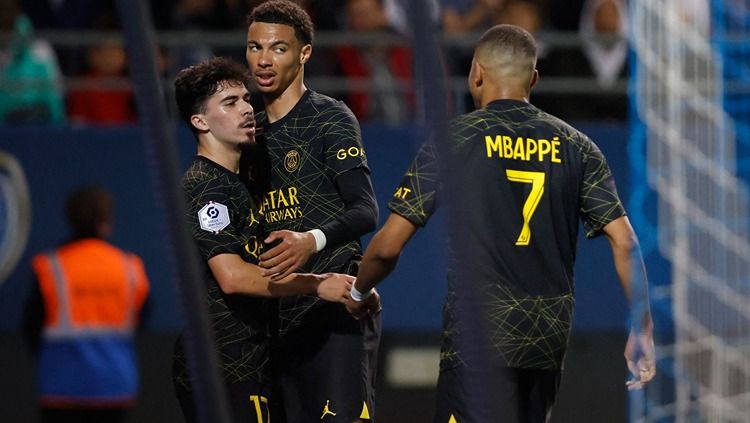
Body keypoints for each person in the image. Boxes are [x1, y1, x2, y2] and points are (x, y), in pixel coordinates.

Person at [347, 24, 656, 423]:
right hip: (545, 344)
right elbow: (627, 243)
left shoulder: (453, 140)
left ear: (476, 73)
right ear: (534, 78)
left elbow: (388, 246)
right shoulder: (579, 147)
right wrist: (643, 327)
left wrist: (358, 292)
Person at [173, 56, 356, 423]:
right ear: (199, 121)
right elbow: (233, 276)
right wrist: (317, 284)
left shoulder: (236, 182)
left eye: (245, 99)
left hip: (249, 362)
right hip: (221, 365)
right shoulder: (205, 184)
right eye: (230, 103)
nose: (246, 109)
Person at [244, 1, 381, 421]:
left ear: (304, 53)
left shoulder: (329, 118)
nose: (263, 59)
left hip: (332, 315)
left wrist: (310, 240)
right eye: (254, 47)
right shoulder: (242, 128)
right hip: (268, 321)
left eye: (278, 48)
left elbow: (365, 209)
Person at [23, 186, 150, 423]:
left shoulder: (51, 267)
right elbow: (140, 320)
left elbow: (31, 327)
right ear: (106, 221)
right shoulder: (129, 267)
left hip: (62, 386)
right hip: (115, 386)